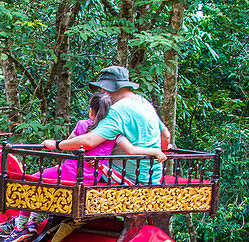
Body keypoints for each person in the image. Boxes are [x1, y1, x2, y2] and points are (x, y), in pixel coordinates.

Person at [0, 91, 167, 242]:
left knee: (32, 180)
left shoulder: (83, 125)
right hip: (95, 176)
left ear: (91, 112)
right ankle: (32, 221)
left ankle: (23, 226)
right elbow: (132, 149)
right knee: (43, 180)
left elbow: (74, 143)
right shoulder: (114, 132)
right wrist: (155, 151)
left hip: (71, 172)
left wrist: (54, 144)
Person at [43, 65, 171, 185]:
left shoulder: (119, 109)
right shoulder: (145, 103)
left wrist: (57, 145)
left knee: (63, 175)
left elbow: (89, 141)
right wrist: (156, 152)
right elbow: (166, 137)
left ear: (106, 88)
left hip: (125, 177)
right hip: (152, 176)